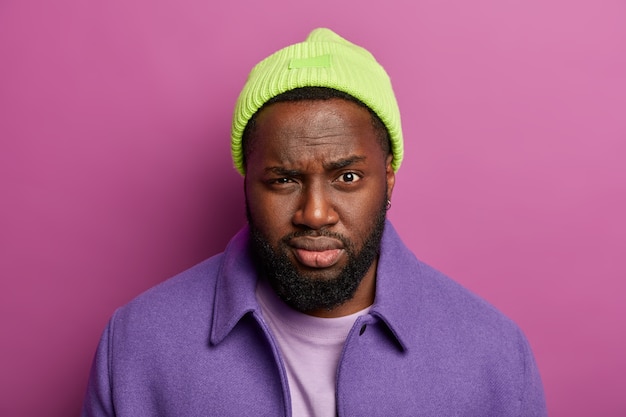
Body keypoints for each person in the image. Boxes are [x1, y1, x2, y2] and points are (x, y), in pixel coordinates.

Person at [81, 28, 547, 417]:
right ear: (247, 181)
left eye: (347, 176)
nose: (315, 213)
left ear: (388, 178)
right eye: (283, 179)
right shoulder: (137, 345)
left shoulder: (494, 357)